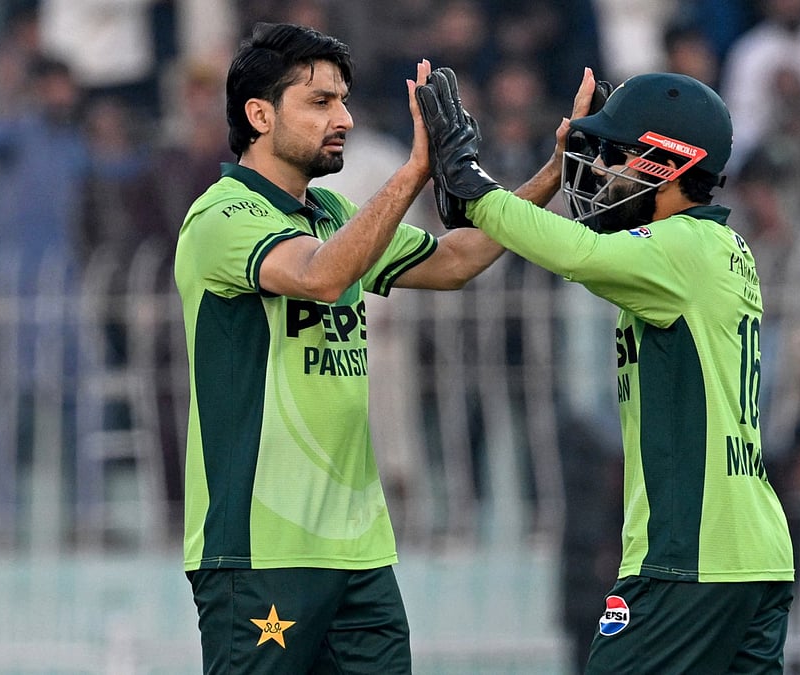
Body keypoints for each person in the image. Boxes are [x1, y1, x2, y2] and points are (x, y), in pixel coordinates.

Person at [174, 22, 595, 673]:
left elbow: (458, 261)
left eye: (342, 99)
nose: (342, 116)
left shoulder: (333, 217)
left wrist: (553, 171)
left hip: (359, 551)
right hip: (261, 555)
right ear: (259, 114)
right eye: (319, 102)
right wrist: (414, 172)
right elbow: (321, 276)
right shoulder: (222, 217)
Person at [416, 69, 796, 672]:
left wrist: (470, 183)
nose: (601, 174)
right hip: (754, 557)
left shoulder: (683, 248)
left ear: (667, 164)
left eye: (617, 157)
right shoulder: (714, 248)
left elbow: (576, 253)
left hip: (689, 557)